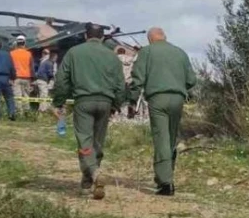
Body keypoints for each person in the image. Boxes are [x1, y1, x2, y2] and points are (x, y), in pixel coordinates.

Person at [52, 23, 126, 200]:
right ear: (102, 37)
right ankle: (87, 183)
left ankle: (93, 172)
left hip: (84, 102)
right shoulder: (112, 56)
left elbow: (62, 79)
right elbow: (120, 85)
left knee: (85, 142)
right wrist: (116, 104)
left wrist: (58, 102)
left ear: (86, 36)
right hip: (106, 102)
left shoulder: (74, 52)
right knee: (97, 143)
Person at [128, 27, 196, 196]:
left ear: (150, 39)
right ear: (164, 37)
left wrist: (131, 100)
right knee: (171, 138)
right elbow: (191, 80)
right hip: (178, 98)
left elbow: (138, 79)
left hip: (158, 98)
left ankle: (165, 182)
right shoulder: (180, 52)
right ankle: (168, 175)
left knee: (161, 138)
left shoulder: (147, 52)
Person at [10, 35, 36, 113]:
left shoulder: (11, 53)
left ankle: (19, 112)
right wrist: (33, 79)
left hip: (16, 78)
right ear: (24, 43)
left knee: (17, 96)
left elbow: (10, 66)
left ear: (16, 43)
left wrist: (10, 77)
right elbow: (32, 67)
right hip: (27, 78)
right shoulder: (29, 54)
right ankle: (27, 112)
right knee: (26, 96)